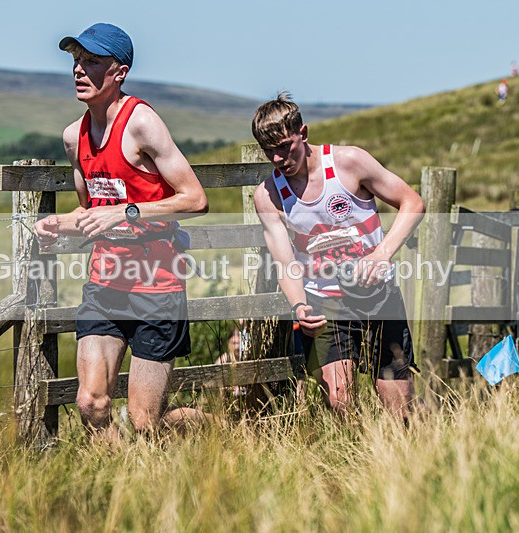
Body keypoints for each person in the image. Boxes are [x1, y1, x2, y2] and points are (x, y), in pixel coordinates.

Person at [34, 23, 208, 436]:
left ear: (119, 72)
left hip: (157, 286)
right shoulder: (73, 137)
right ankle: (122, 478)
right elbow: (90, 211)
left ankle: (216, 431)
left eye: (92, 61)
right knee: (91, 404)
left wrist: (125, 213)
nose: (79, 69)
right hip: (105, 283)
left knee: (145, 421)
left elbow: (195, 199)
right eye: (77, 60)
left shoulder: (142, 123)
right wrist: (58, 224)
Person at [251, 93, 425, 421]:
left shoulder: (349, 163)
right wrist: (299, 306)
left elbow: (412, 203)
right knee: (339, 400)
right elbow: (285, 263)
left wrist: (381, 254)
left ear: (303, 133)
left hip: (376, 295)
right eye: (268, 150)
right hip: (326, 302)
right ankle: (354, 458)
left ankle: (404, 459)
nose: (277, 158)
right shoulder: (268, 194)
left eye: (284, 146)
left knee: (398, 406)